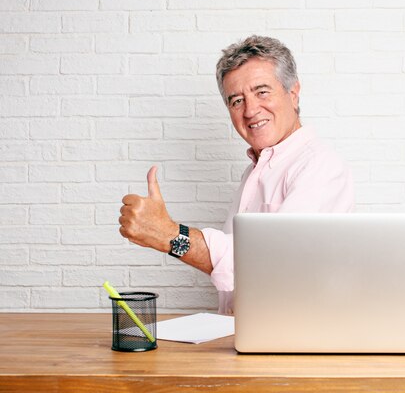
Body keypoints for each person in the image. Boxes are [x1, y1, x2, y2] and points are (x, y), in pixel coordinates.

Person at [118, 35, 354, 314]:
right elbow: (233, 268)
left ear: (293, 92)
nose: (251, 110)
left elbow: (268, 266)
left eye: (262, 91)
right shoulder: (254, 173)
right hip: (248, 338)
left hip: (292, 346)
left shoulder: (318, 168)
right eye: (237, 100)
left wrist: (171, 235)